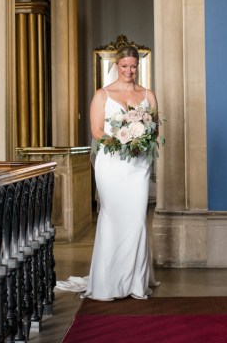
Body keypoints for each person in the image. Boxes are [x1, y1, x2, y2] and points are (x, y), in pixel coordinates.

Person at [84, 44, 160, 301]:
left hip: (137, 166)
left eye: (134, 66)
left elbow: (155, 130)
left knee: (137, 218)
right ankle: (108, 281)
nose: (129, 70)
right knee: (113, 217)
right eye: (125, 66)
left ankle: (136, 282)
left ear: (138, 66)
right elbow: (96, 131)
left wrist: (141, 139)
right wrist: (122, 141)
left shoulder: (148, 95)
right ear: (117, 65)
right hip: (111, 165)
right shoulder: (102, 95)